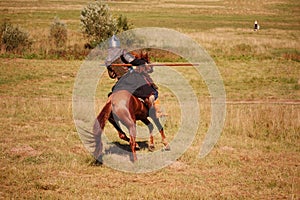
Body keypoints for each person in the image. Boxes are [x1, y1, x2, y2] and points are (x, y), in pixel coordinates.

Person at [105, 35, 160, 118]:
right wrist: (143, 63)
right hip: (131, 79)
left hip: (120, 83)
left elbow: (112, 75)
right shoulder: (122, 52)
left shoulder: (107, 60)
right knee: (151, 94)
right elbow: (133, 61)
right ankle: (152, 112)